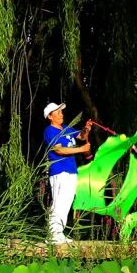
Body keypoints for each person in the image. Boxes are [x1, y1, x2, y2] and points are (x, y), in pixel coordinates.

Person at [42, 102, 91, 244]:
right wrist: (81, 150)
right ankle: (52, 235)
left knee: (66, 201)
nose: (61, 114)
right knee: (59, 201)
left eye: (61, 111)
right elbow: (59, 150)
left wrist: (86, 129)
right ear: (50, 116)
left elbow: (81, 136)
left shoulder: (65, 128)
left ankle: (58, 233)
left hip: (71, 171)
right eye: (57, 112)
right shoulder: (50, 130)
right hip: (59, 171)